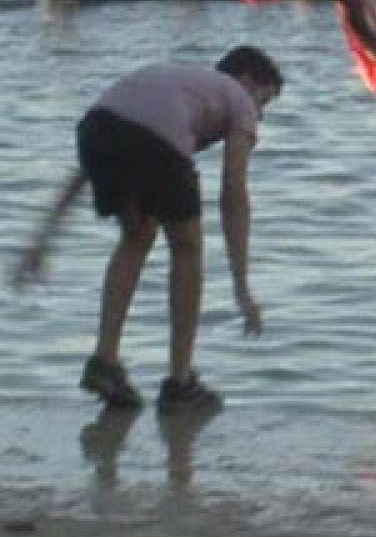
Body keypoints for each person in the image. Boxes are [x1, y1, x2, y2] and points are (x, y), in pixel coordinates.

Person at [11, 47, 284, 414]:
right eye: (265, 102)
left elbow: (82, 174)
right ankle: (180, 382)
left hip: (96, 128)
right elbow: (234, 196)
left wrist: (41, 241)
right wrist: (241, 286)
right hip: (153, 141)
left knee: (137, 236)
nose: (260, 116)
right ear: (249, 81)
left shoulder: (184, 84)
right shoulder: (238, 99)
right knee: (187, 249)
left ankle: (104, 362)